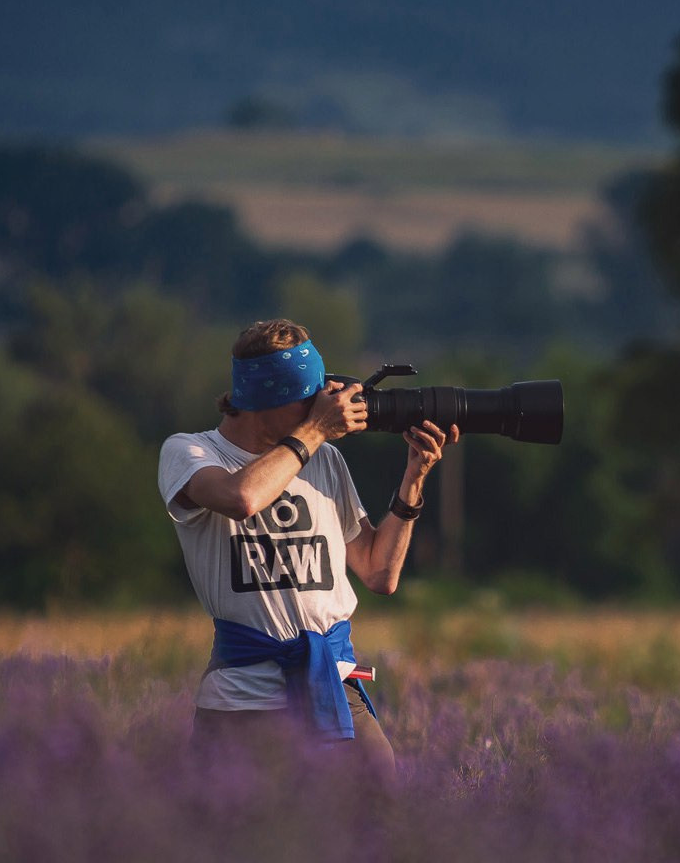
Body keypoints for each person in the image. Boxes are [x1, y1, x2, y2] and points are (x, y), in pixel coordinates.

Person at [157, 318, 458, 775]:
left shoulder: (325, 458)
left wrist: (414, 477)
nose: (320, 408)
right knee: (227, 838)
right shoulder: (190, 453)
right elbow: (243, 498)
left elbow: (380, 573)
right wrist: (314, 431)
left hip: (332, 686)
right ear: (263, 401)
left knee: (377, 817)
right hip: (241, 702)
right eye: (307, 402)